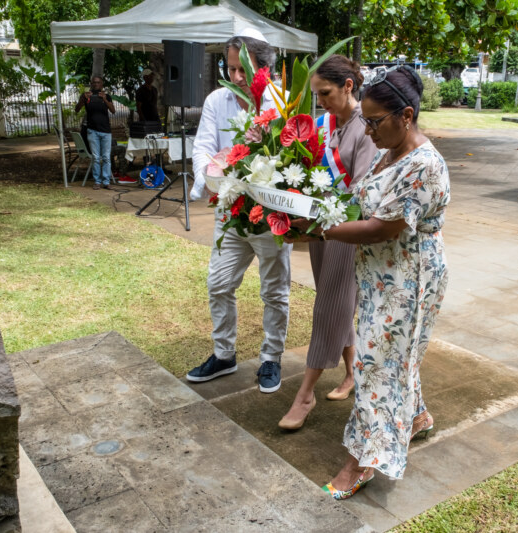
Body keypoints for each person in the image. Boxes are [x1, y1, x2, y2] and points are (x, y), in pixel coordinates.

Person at [287, 65, 449, 500]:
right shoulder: (388, 152)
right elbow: (360, 203)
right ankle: (416, 417)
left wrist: (320, 231)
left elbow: (380, 228)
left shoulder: (423, 165)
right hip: (381, 275)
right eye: (366, 121)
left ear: (407, 116)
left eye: (375, 122)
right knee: (395, 358)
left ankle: (361, 461)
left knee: (375, 365)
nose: (368, 131)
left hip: (408, 282)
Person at [186, 29, 290, 393]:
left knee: (274, 291)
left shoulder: (281, 101)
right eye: (231, 69)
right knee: (218, 284)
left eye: (243, 69)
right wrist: (209, 176)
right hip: (230, 211)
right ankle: (224, 355)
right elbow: (203, 145)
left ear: (265, 68)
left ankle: (271, 358)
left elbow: (292, 155)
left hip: (269, 215)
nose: (236, 76)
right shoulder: (217, 100)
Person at [277, 55, 377, 430]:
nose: (320, 101)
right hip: (319, 227)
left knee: (328, 306)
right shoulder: (323, 125)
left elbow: (363, 190)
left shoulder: (367, 128)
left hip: (348, 230)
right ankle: (351, 374)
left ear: (348, 86)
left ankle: (305, 394)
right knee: (336, 301)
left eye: (326, 93)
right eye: (317, 94)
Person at [75, 75, 115, 190]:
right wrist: (83, 99)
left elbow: (113, 110)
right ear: (91, 84)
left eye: (98, 82)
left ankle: (106, 181)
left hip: (106, 131)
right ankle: (97, 181)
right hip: (92, 131)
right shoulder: (86, 96)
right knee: (96, 157)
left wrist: (105, 99)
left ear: (102, 84)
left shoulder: (106, 96)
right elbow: (77, 109)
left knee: (106, 157)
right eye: (94, 82)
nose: (96, 84)